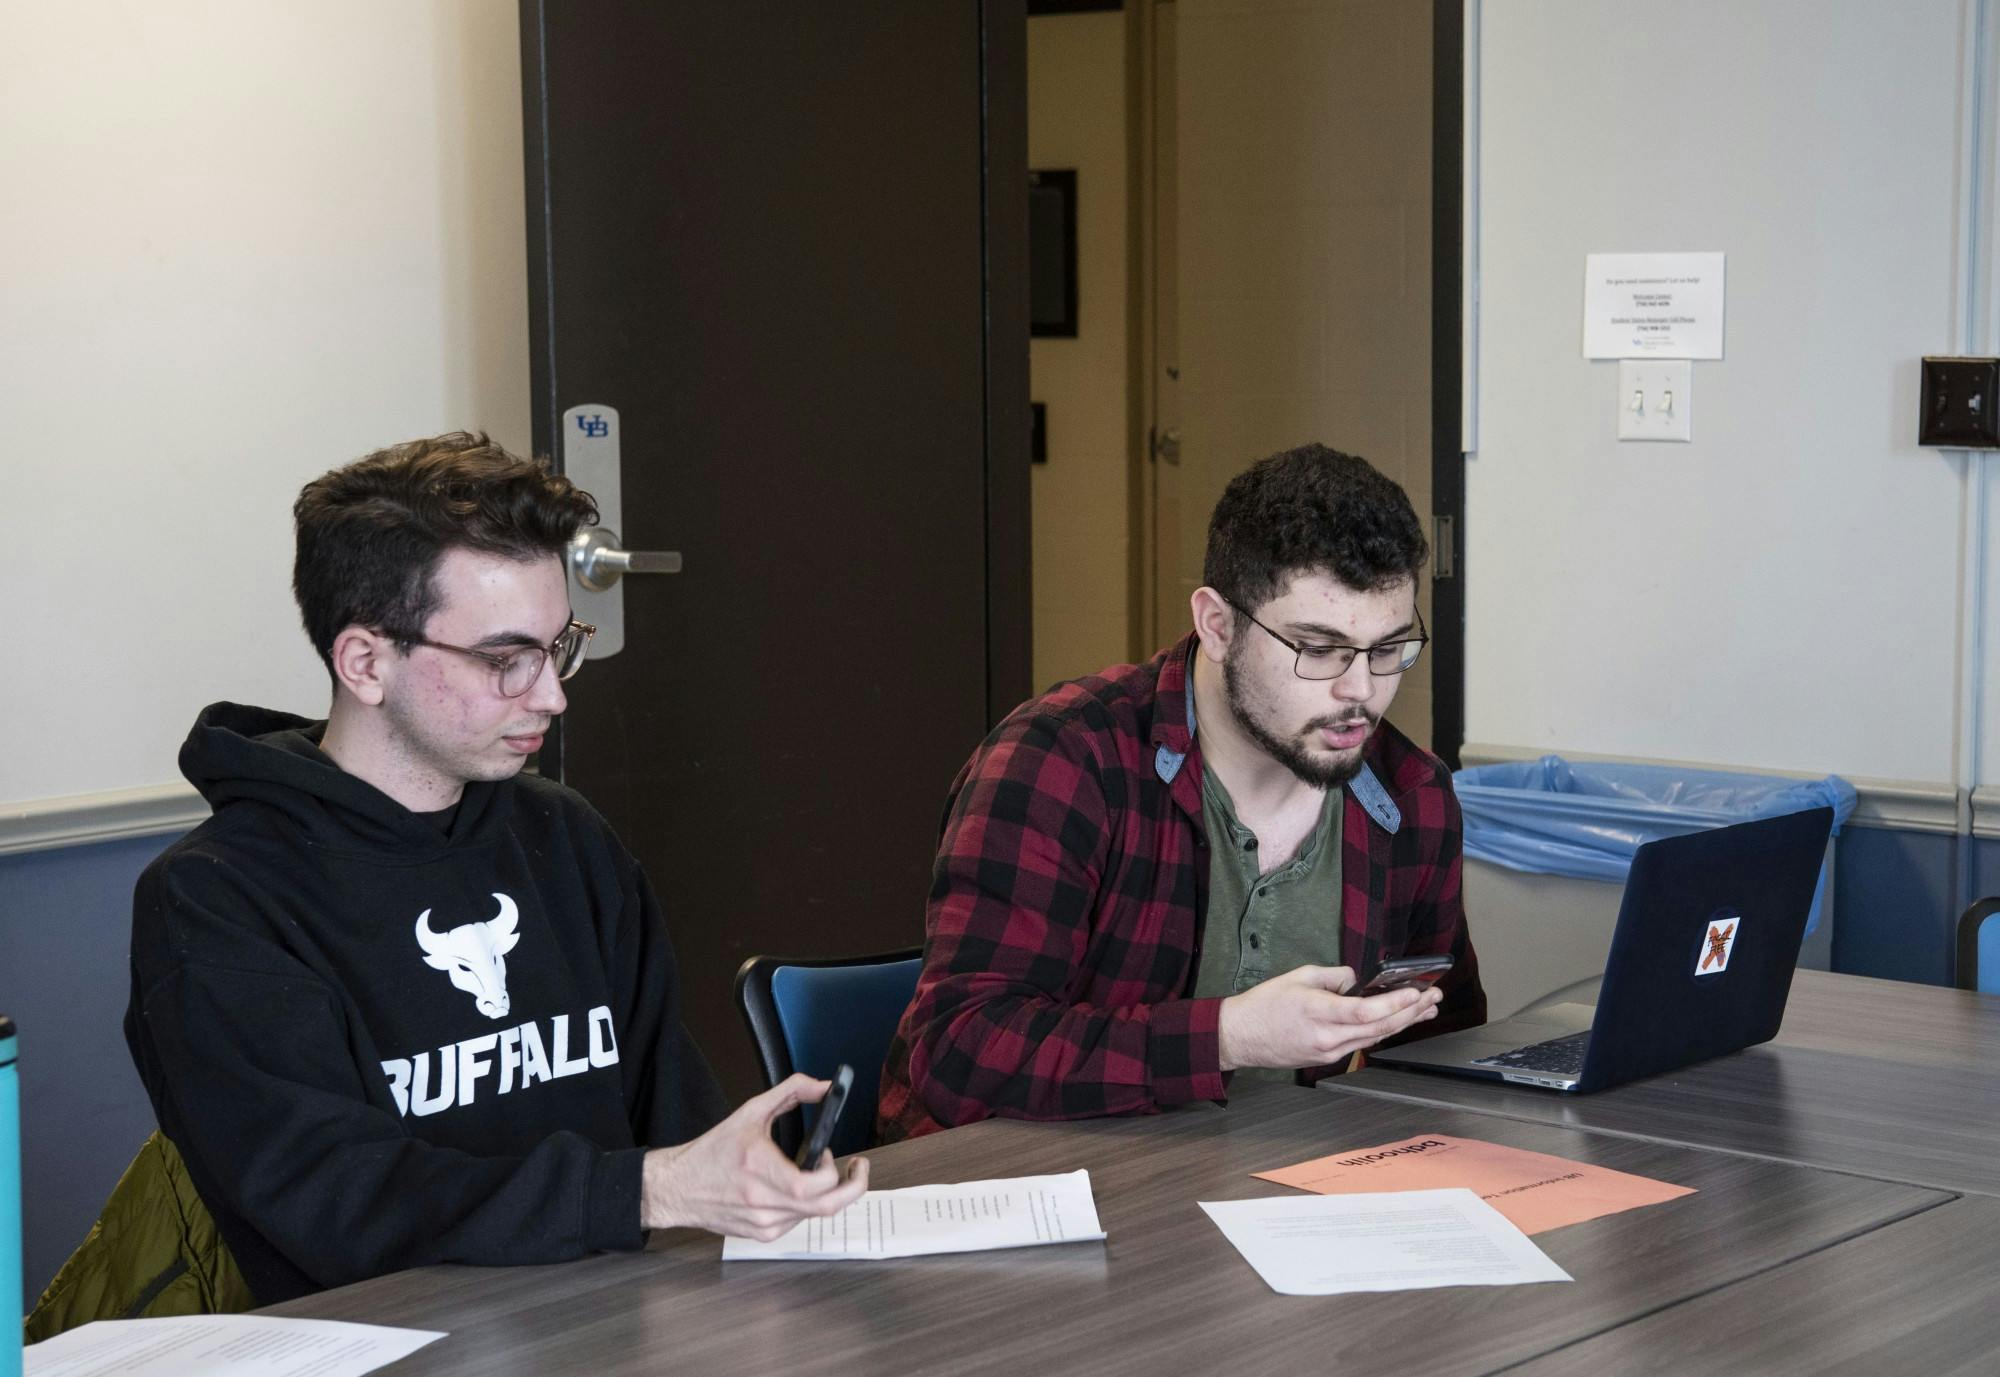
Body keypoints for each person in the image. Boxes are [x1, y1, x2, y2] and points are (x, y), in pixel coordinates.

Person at [125, 433, 866, 1305]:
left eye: (558, 646)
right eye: (505, 660)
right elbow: (341, 1203)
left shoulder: (566, 837)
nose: (552, 694)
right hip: (398, 1341)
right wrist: (643, 1191)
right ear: (365, 662)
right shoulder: (216, 897)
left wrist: (742, 1181)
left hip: (631, 1314)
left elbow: (674, 1116)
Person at [878, 444, 1485, 1141]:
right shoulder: (1064, 760)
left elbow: (1441, 1045)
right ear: (1218, 626)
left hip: (1245, 1181)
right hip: (1013, 1182)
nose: (1361, 691)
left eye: (1388, 649)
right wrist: (1227, 1036)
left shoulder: (1412, 796)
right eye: (1318, 650)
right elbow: (960, 1050)